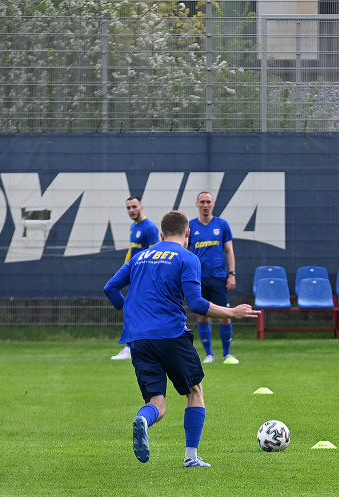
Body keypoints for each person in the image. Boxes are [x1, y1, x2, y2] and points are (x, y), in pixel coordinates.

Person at [104, 210, 258, 468]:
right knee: (194, 391)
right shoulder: (188, 257)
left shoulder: (141, 256)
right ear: (188, 233)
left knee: (157, 403)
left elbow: (110, 287)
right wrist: (231, 312)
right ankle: (191, 457)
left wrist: (130, 313)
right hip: (171, 335)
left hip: (138, 339)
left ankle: (143, 420)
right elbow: (196, 303)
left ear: (161, 234)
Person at [188, 191, 239, 364]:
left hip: (218, 277)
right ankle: (209, 354)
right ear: (197, 204)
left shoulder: (222, 225)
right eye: (202, 202)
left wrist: (231, 274)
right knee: (202, 316)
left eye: (208, 201)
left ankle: (227, 354)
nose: (205, 205)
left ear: (213, 204)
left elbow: (229, 250)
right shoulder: (190, 226)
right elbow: (185, 252)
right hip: (198, 279)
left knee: (225, 315)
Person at [111, 196, 161, 361]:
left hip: (144, 277)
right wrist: (124, 268)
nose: (131, 210)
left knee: (137, 309)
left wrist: (151, 278)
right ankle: (131, 345)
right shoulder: (134, 226)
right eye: (128, 208)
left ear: (141, 207)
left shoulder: (150, 228)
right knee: (130, 307)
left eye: (134, 207)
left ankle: (130, 346)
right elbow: (132, 250)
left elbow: (156, 254)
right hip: (134, 274)